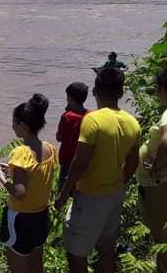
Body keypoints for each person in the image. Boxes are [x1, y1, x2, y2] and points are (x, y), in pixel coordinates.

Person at [55, 67, 141, 273]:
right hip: (115, 193)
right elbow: (133, 163)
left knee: (76, 253)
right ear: (121, 93)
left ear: (95, 91)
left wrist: (64, 193)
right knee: (106, 248)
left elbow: (79, 163)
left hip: (91, 196)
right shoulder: (133, 123)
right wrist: (120, 181)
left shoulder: (93, 120)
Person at [0, 94, 56, 273]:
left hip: (20, 218)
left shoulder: (21, 153)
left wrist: (2, 177)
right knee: (36, 264)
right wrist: (14, 170)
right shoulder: (50, 149)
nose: (12, 126)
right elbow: (37, 176)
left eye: (14, 122)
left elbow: (20, 193)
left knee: (19, 266)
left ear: (23, 126)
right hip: (40, 215)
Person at [136, 67, 167, 272]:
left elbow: (166, 141)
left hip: (159, 185)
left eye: (157, 88)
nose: (156, 93)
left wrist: (156, 166)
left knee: (161, 237)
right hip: (160, 184)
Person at [56, 82, 90, 190]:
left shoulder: (67, 117)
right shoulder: (90, 115)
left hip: (67, 160)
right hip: (84, 159)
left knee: (64, 187)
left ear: (69, 98)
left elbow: (59, 137)